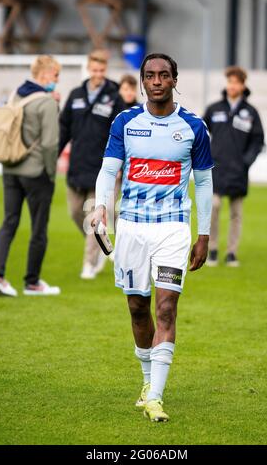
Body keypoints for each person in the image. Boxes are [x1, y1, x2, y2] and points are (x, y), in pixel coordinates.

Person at [92, 53, 213, 422]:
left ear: (175, 79)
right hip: (131, 227)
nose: (157, 80)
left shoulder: (193, 126)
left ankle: (156, 396)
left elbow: (205, 182)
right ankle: (147, 382)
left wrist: (203, 234)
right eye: (150, 75)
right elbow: (108, 169)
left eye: (164, 75)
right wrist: (100, 207)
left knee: (165, 308)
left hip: (173, 229)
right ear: (142, 81)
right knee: (137, 307)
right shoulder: (126, 122)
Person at [0, 55, 61, 297]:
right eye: (55, 75)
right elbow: (50, 144)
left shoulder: (16, 95)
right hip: (36, 172)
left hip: (10, 168)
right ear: (45, 75)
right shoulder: (47, 103)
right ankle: (32, 282)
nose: (57, 80)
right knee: (39, 228)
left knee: (8, 223)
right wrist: (50, 173)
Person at [59, 49, 125, 280]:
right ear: (88, 68)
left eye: (101, 70)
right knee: (76, 213)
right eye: (94, 69)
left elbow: (121, 135)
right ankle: (99, 245)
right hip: (77, 165)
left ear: (105, 70)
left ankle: (89, 263)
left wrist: (120, 167)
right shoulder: (76, 94)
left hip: (102, 169)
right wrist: (55, 155)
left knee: (94, 217)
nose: (97, 74)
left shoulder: (115, 97)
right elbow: (64, 127)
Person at [203, 66, 264, 267]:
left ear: (243, 85)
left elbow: (258, 140)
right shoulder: (214, 109)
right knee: (214, 206)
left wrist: (246, 161)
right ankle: (212, 249)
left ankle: (231, 253)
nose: (232, 85)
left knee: (236, 213)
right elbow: (201, 133)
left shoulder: (251, 112)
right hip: (217, 169)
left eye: (236, 82)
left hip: (239, 171)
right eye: (230, 82)